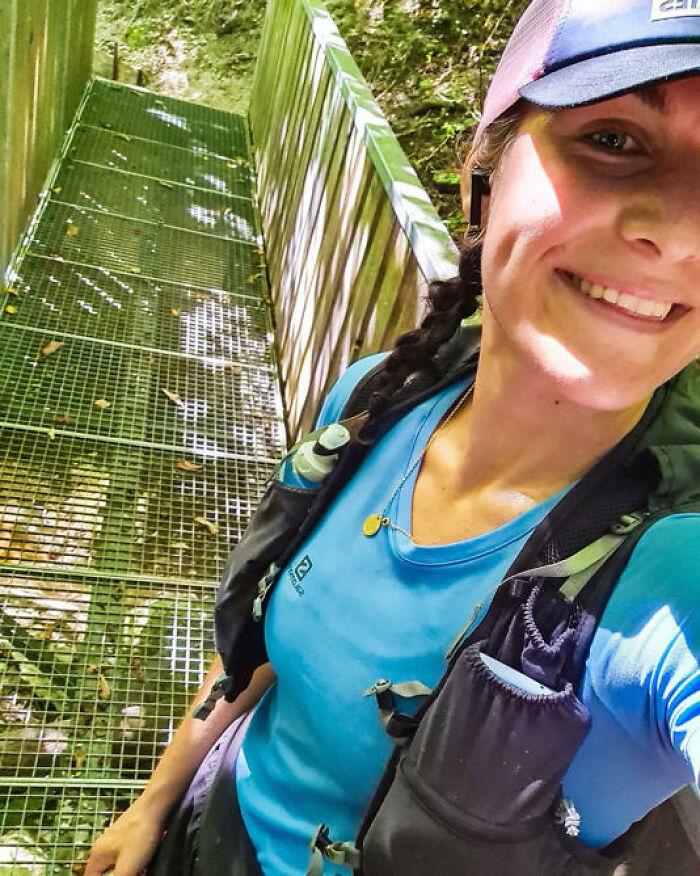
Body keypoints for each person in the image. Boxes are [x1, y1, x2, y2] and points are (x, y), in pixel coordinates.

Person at [86, 1, 700, 873]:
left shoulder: (669, 577)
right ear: (480, 177)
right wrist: (151, 804)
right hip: (207, 826)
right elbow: (265, 638)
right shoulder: (380, 400)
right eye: (613, 140)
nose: (676, 230)